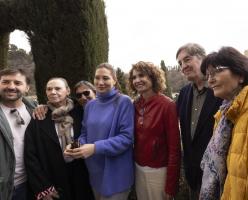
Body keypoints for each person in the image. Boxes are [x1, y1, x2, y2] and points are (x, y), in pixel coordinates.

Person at [175, 43, 248, 199]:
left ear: (240, 74)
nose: (211, 80)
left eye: (216, 71)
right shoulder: (223, 114)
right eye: (209, 74)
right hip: (202, 179)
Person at [65, 63, 134, 200]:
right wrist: (75, 146)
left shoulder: (123, 102)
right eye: (97, 78)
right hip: (95, 172)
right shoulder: (90, 105)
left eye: (106, 78)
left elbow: (126, 138)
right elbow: (85, 134)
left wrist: (95, 148)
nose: (100, 82)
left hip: (117, 174)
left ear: (114, 80)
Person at [24, 77, 94, 200]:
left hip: (83, 177)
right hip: (53, 179)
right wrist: (43, 187)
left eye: (57, 88)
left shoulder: (81, 112)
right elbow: (30, 155)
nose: (53, 92)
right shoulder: (39, 117)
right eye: (49, 89)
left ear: (67, 91)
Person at [128, 61, 181, 200]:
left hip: (159, 171)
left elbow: (174, 148)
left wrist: (171, 184)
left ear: (153, 77)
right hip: (138, 168)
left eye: (142, 76)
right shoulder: (135, 105)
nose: (137, 80)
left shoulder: (167, 105)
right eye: (134, 77)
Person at [0, 68, 36, 200]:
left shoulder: (36, 111)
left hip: (31, 184)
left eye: (17, 83)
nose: (11, 86)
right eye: (5, 82)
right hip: (4, 187)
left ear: (27, 88)